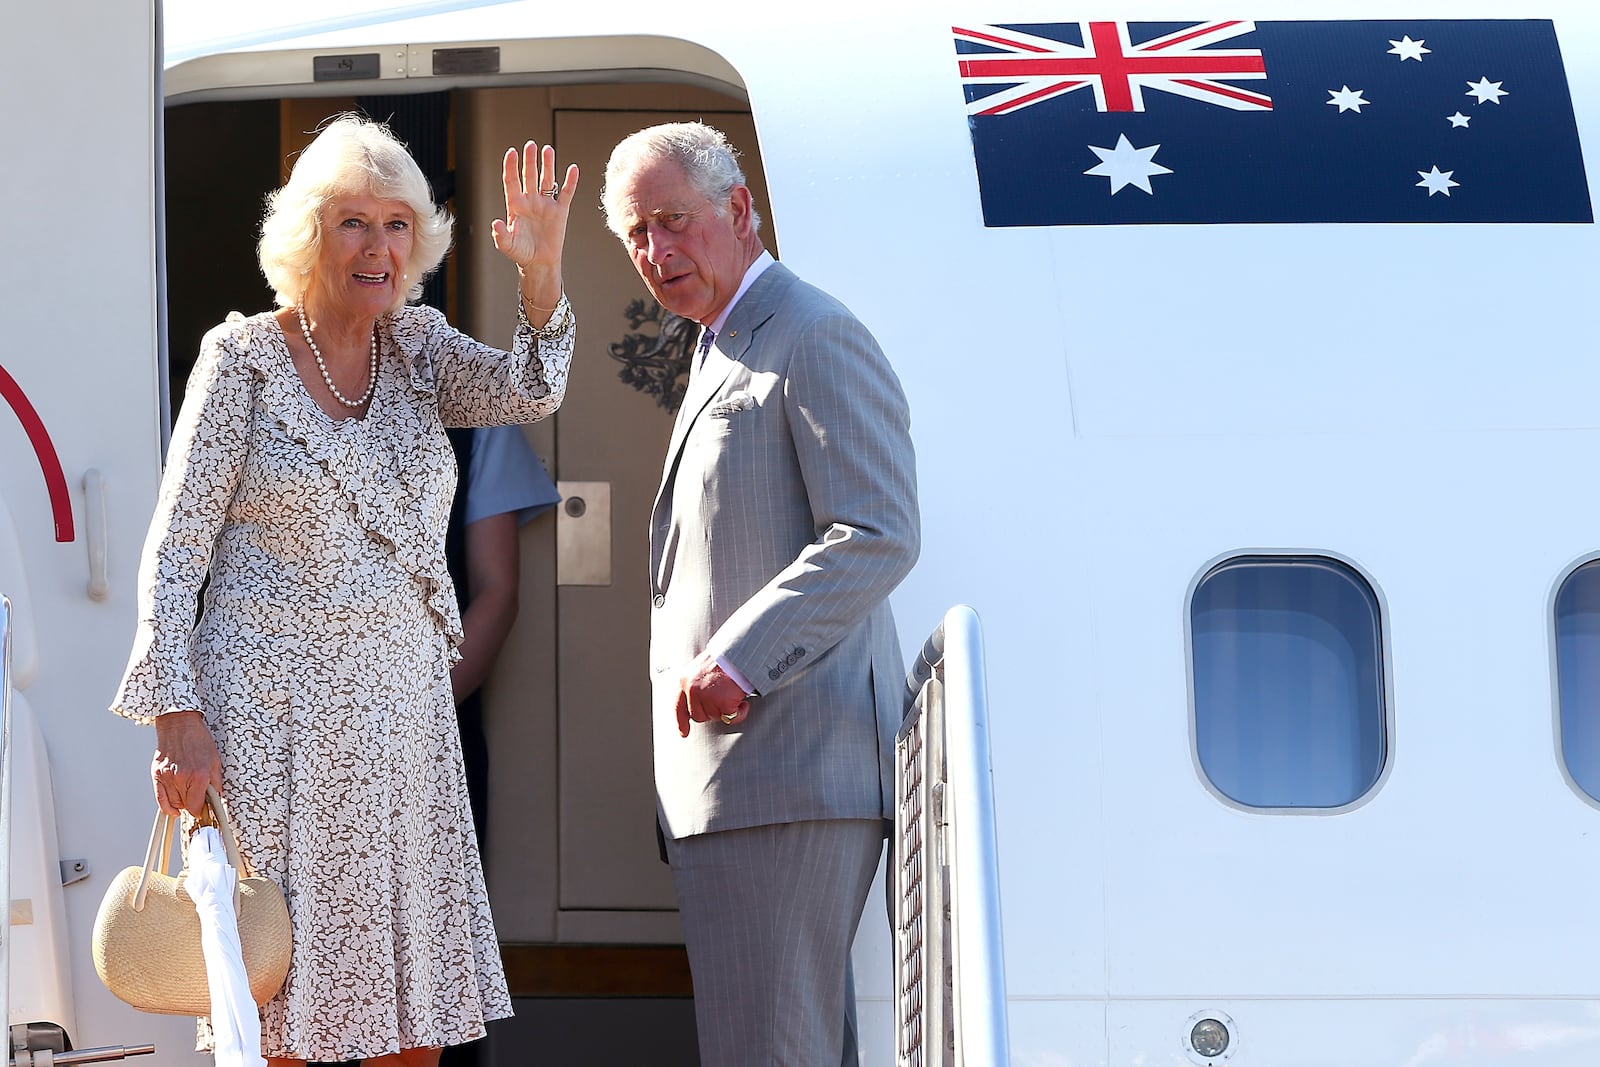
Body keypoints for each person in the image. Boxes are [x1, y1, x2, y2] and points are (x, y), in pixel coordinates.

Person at [110, 113, 579, 1067]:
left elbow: (533, 387)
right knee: (277, 1012)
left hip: (403, 730)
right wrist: (174, 712)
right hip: (273, 730)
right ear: (307, 235)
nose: (380, 246)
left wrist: (540, 270)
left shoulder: (422, 349)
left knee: (411, 1023)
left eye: (398, 223)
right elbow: (174, 549)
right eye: (353, 222)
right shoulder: (239, 360)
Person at [600, 122, 920, 1067]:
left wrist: (740, 655)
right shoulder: (724, 341)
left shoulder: (812, 332)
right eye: (637, 235)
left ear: (738, 211)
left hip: (784, 766)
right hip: (746, 781)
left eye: (674, 220)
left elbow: (878, 530)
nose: (657, 252)